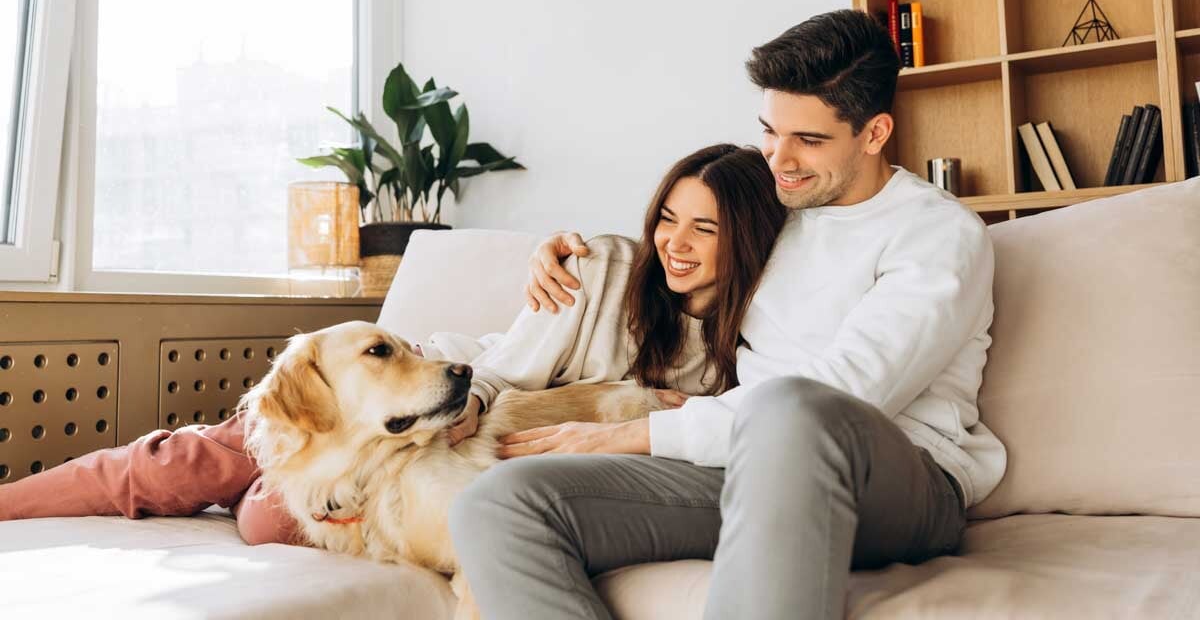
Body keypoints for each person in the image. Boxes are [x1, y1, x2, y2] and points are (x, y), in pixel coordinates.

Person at [447, 9, 1009, 620]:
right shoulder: (775, 209)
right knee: (496, 503)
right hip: (746, 462)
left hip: (900, 478)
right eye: (770, 131)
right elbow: (670, 260)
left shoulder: (936, 233)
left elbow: (851, 389)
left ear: (874, 134)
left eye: (810, 141)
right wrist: (566, 260)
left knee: (792, 407)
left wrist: (632, 434)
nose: (779, 158)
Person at [0, 144, 787, 546]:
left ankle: (262, 487)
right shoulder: (604, 265)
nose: (675, 243)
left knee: (271, 521)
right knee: (186, 464)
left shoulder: (735, 352)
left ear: (746, 238)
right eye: (667, 219)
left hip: (434, 435)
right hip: (410, 390)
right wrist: (456, 406)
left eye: (705, 228)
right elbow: (504, 366)